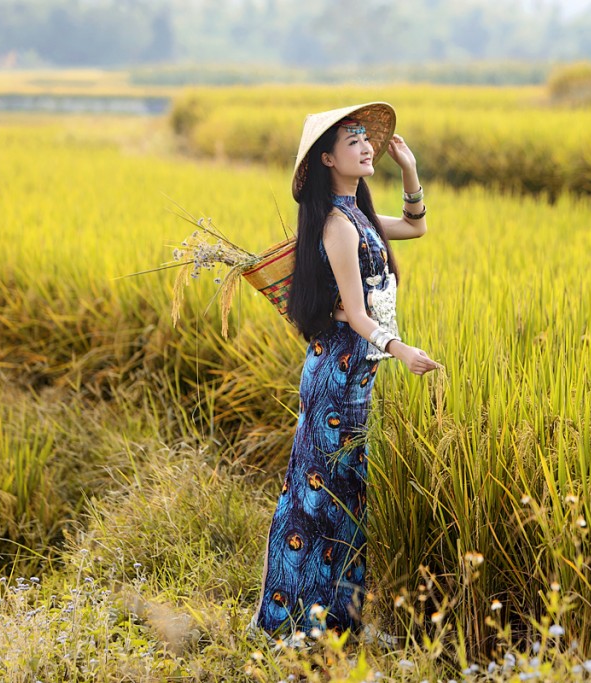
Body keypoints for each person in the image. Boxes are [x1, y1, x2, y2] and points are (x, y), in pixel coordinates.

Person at [250, 102, 441, 642]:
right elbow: (355, 314)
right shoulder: (336, 226)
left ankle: (340, 622)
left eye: (366, 138)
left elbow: (415, 227)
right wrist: (399, 349)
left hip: (357, 371)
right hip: (336, 373)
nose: (365, 146)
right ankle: (294, 622)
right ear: (328, 158)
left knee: (349, 495)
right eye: (351, 140)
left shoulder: (357, 215)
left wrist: (408, 170)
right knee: (318, 498)